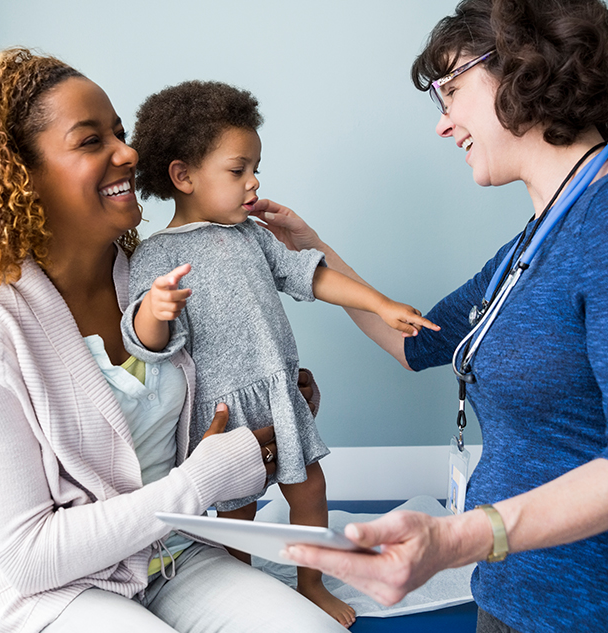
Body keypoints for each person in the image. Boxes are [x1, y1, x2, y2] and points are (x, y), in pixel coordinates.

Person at [257, 1, 608, 631]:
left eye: (449, 92)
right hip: (509, 600)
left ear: (524, 68)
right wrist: (313, 250)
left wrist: (457, 539)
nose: (443, 125)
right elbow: (412, 343)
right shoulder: (524, 252)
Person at [0, 48, 350, 633]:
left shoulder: (152, 276)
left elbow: (208, 415)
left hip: (170, 556)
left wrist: (272, 417)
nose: (130, 153)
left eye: (119, 132)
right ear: (17, 176)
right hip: (50, 588)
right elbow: (31, 555)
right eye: (90, 141)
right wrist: (202, 480)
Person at [121, 80, 438, 627]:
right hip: (223, 414)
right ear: (183, 176)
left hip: (276, 391)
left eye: (256, 168)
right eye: (238, 169)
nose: (255, 181)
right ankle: (236, 591)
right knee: (235, 516)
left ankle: (311, 584)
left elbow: (312, 275)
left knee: (310, 490)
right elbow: (141, 342)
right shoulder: (156, 255)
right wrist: (156, 308)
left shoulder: (254, 236)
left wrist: (380, 303)